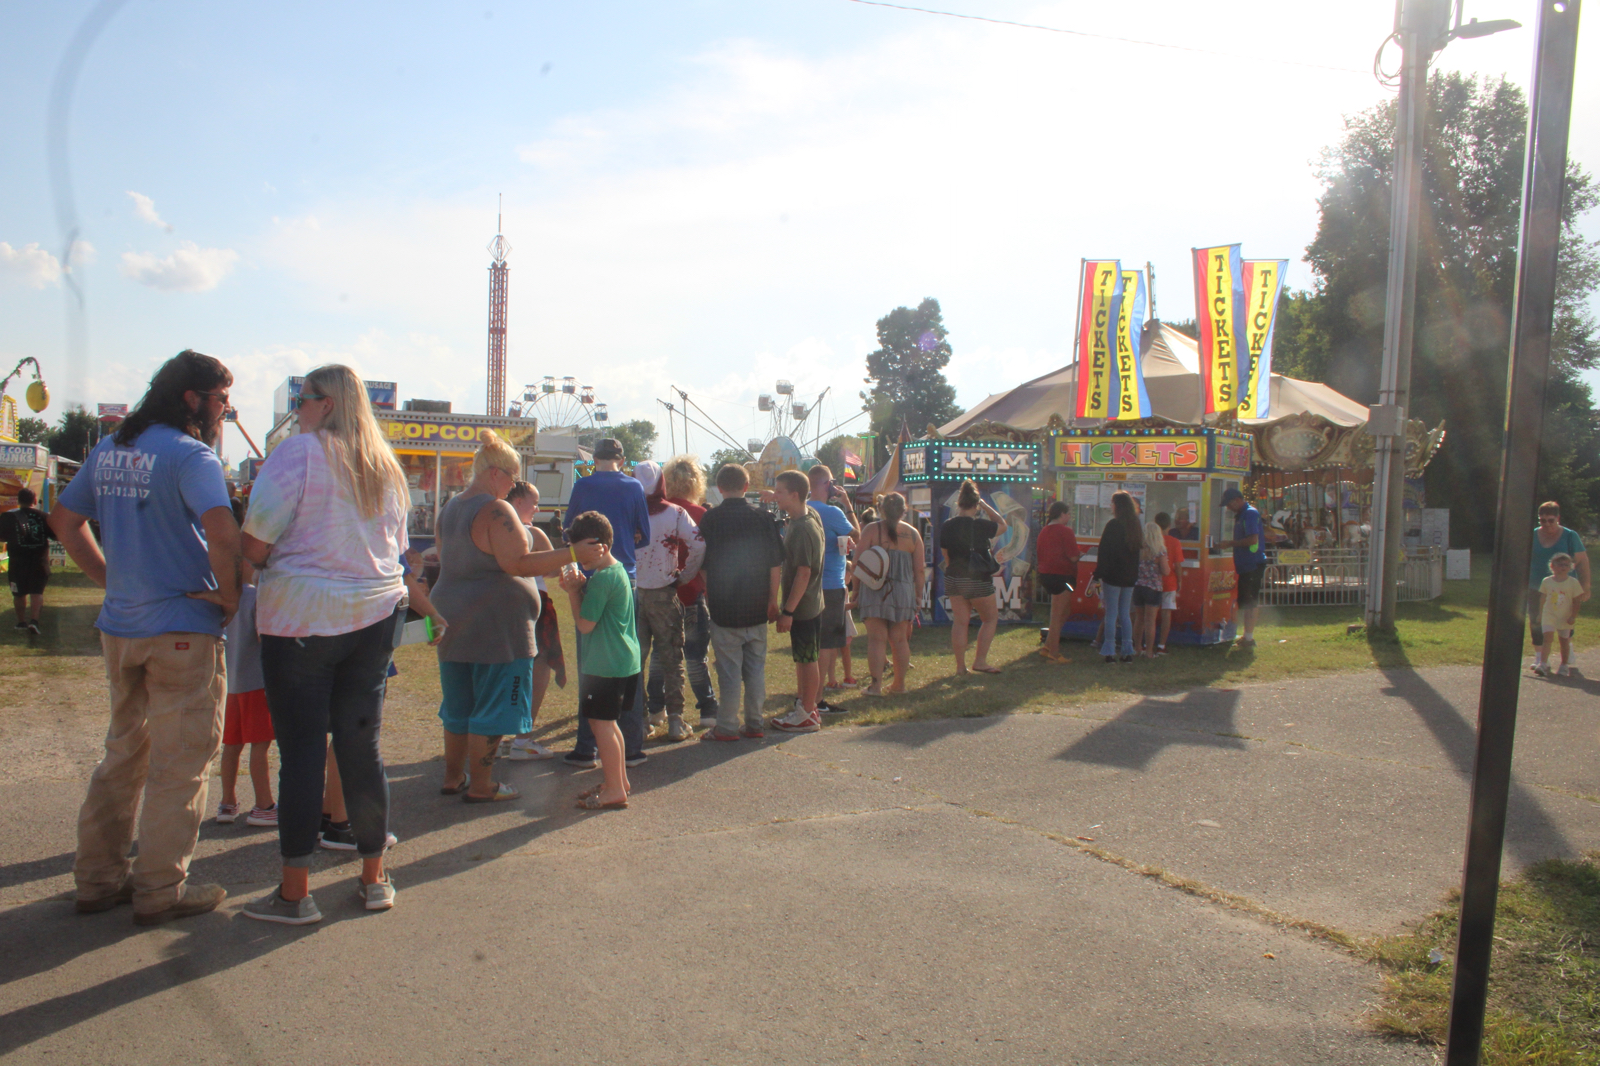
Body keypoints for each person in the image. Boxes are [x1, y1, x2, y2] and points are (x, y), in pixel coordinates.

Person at [50, 349, 240, 925]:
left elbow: (65, 520)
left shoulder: (112, 447)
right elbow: (222, 529)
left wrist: (112, 579)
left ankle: (97, 879)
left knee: (123, 753)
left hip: (122, 628)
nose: (224, 411)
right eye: (222, 400)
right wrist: (229, 598)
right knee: (180, 764)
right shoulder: (191, 454)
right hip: (181, 626)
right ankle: (160, 891)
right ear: (193, 400)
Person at [237, 364, 413, 924]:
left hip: (303, 621)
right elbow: (396, 546)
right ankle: (373, 877)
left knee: (304, 755)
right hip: (376, 615)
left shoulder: (298, 454)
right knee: (362, 749)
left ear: (327, 404)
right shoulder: (387, 466)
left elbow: (256, 541)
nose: (299, 409)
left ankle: (295, 893)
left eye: (304, 399)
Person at [430, 432, 578, 802]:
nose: (514, 484)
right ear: (495, 473)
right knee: (494, 706)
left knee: (459, 704)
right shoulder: (498, 509)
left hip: (453, 616)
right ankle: (482, 785)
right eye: (512, 476)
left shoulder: (450, 507)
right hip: (497, 626)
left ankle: (453, 777)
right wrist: (573, 554)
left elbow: (445, 554)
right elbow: (517, 564)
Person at [561, 437, 651, 769]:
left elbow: (568, 529)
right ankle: (631, 746)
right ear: (622, 459)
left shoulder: (582, 485)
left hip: (594, 574)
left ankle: (588, 745)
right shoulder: (634, 487)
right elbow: (645, 534)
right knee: (628, 659)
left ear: (594, 459)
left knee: (592, 661)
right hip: (625, 575)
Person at [697, 463, 784, 742]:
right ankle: (755, 722)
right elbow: (775, 564)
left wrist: (709, 593)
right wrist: (773, 599)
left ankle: (726, 726)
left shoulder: (710, 519)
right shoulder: (763, 518)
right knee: (756, 669)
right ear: (746, 486)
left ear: (719, 488)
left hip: (724, 606)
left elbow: (703, 564)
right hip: (757, 603)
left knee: (729, 671)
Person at [562, 512, 640, 809]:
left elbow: (584, 625)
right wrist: (581, 587)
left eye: (582, 551)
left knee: (601, 725)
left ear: (600, 546)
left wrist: (573, 592)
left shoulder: (602, 580)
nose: (580, 558)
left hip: (605, 665)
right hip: (622, 661)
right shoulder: (617, 571)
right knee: (609, 724)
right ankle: (617, 781)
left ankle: (615, 790)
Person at [630, 460, 705, 742]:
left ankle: (640, 719)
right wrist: (685, 576)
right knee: (673, 659)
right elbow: (698, 544)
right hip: (665, 591)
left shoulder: (628, 512)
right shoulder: (675, 513)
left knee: (635, 660)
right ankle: (675, 720)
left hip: (634, 593)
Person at [503, 480, 564, 760]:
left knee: (505, 671)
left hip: (501, 608)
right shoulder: (533, 533)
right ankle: (522, 738)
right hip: (533, 607)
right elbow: (554, 568)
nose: (537, 508)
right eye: (534, 502)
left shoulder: (493, 530)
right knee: (537, 669)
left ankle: (500, 733)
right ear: (517, 503)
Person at [659, 455, 719, 727]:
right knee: (696, 656)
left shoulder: (660, 510)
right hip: (693, 591)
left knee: (661, 654)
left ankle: (655, 708)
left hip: (662, 592)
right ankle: (707, 709)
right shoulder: (700, 515)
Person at [216, 564, 276, 827]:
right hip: (257, 681)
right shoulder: (255, 597)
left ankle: (227, 802)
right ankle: (263, 804)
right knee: (260, 744)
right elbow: (265, 639)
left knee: (232, 745)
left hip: (230, 683)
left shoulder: (221, 596)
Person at [769, 470, 826, 733]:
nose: (775, 496)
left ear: (794, 495)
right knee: (804, 658)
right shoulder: (807, 515)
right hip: (810, 603)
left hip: (803, 607)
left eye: (780, 492)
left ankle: (806, 712)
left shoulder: (803, 527)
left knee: (806, 659)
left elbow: (804, 573)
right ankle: (807, 707)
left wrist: (787, 611)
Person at [856, 492, 925, 694]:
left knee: (876, 640)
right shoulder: (913, 534)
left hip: (875, 588)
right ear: (904, 511)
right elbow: (919, 570)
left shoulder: (871, 530)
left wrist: (856, 591)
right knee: (900, 639)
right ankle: (899, 685)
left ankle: (875, 686)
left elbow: (859, 562)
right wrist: (918, 596)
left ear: (881, 509)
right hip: (903, 591)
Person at [806, 465, 859, 704]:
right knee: (827, 644)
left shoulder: (803, 510)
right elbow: (856, 534)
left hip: (805, 586)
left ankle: (806, 696)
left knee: (808, 645)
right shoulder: (834, 512)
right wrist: (847, 503)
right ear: (827, 485)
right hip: (831, 585)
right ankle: (817, 700)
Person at [939, 480, 1004, 676]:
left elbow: (946, 555)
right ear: (976, 505)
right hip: (977, 578)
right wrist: (985, 505)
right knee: (990, 619)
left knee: (960, 622)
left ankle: (960, 667)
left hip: (954, 578)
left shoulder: (948, 525)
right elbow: (1003, 524)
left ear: (959, 503)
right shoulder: (981, 525)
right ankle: (980, 661)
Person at [1527, 501, 1590, 675]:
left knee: (1566, 619)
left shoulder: (1570, 536)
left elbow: (1583, 561)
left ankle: (1566, 649)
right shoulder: (1531, 535)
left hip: (1564, 587)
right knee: (1536, 619)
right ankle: (1539, 657)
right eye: (1542, 520)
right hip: (1537, 585)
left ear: (1558, 518)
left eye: (1550, 520)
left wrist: (1586, 586)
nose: (1547, 524)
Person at [1092, 490, 1141, 664]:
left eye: (1112, 503)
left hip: (1113, 575)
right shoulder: (1135, 525)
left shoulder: (1113, 525)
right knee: (1125, 614)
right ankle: (1128, 651)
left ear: (1117, 506)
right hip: (1129, 577)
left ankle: (1110, 650)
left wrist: (1097, 575)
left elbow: (1105, 552)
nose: (1110, 506)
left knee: (1111, 614)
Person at [1, 487, 54, 633]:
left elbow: (1, 536)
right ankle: (34, 621)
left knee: (18, 593)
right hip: (39, 561)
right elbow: (55, 535)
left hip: (17, 562)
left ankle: (21, 622)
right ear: (35, 500)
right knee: (37, 592)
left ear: (18, 501)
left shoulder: (8, 517)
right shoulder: (44, 516)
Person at [1215, 487, 1263, 647]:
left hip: (1252, 564)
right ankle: (1246, 636)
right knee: (1245, 602)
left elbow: (1252, 540)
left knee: (1250, 602)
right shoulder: (1242, 514)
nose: (1228, 508)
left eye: (1229, 504)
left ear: (1237, 500)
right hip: (1245, 565)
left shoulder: (1249, 513)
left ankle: (1249, 638)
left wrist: (1229, 543)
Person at [1035, 501, 1079, 663]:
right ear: (1062, 514)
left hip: (1046, 575)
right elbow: (1073, 556)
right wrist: (1081, 554)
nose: (1069, 517)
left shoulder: (1044, 531)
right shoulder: (1066, 531)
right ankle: (1054, 653)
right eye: (1068, 514)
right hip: (1063, 576)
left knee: (1063, 611)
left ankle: (1048, 646)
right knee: (1058, 614)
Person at [1536, 552, 1588, 677]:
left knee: (1564, 640)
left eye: (1566, 565)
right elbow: (1543, 598)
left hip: (1565, 616)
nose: (1563, 567)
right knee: (1547, 638)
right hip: (1549, 614)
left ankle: (1564, 665)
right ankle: (1543, 664)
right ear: (1552, 566)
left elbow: (1577, 601)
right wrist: (1539, 613)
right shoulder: (1547, 581)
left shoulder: (1573, 582)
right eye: (1560, 564)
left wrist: (1573, 616)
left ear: (1570, 567)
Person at [1132, 521, 1170, 659]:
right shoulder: (1160, 551)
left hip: (1138, 586)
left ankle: (1136, 648)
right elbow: (1165, 571)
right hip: (1153, 587)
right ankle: (1148, 652)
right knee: (1150, 621)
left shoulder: (1138, 549)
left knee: (1139, 619)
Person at [1155, 512, 1183, 655]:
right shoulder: (1174, 542)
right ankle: (1161, 645)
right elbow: (1177, 565)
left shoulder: (1151, 541)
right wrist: (1179, 580)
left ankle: (1146, 643)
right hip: (1169, 582)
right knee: (1166, 614)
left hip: (1152, 582)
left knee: (1149, 615)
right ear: (1170, 525)